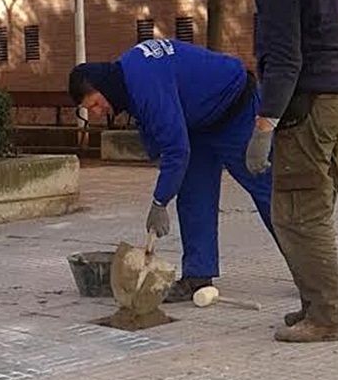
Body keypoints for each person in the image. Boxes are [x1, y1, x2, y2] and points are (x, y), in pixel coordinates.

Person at [224, 0, 338, 343]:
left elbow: (284, 59)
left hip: (312, 102)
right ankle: (313, 304)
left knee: (298, 213)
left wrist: (264, 125)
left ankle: (326, 316)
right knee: (311, 206)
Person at [68, 38, 276, 303]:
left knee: (268, 191)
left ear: (103, 87)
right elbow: (155, 130)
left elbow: (177, 150)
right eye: (90, 110)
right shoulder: (125, 79)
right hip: (197, 123)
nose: (97, 112)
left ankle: (311, 273)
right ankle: (197, 276)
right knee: (193, 197)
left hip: (235, 109)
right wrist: (162, 168)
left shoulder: (143, 82)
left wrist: (159, 201)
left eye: (95, 103)